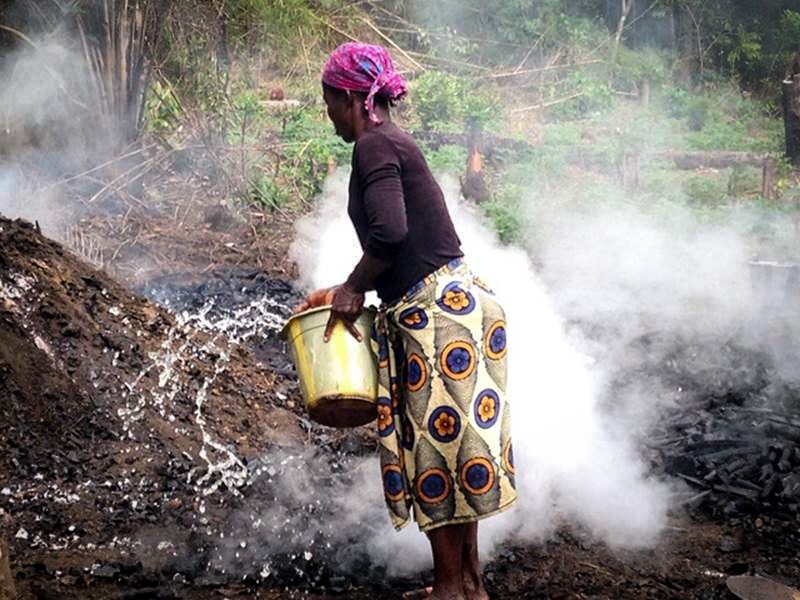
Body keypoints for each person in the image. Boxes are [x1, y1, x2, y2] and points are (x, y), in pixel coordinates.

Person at [296, 42, 517, 600]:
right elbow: (400, 241)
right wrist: (349, 288)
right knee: (458, 448)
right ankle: (468, 585)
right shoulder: (391, 141)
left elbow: (391, 235)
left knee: (435, 452)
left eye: (328, 103)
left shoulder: (373, 146)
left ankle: (448, 590)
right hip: (458, 306)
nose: (328, 115)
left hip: (437, 317)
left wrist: (351, 289)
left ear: (350, 98)